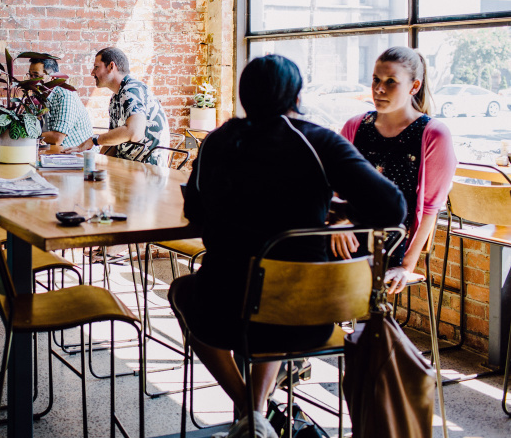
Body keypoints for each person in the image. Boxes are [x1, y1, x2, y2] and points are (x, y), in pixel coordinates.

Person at [168, 55, 406, 437]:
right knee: (275, 294)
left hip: (224, 311)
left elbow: (195, 212)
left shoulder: (219, 141)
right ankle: (256, 411)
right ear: (296, 95)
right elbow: (392, 207)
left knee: (183, 290)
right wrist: (339, 212)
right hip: (307, 315)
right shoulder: (317, 140)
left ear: (245, 95)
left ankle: (250, 413)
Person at [333, 46, 457, 295]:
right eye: (376, 80)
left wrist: (407, 266)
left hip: (392, 244)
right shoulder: (356, 126)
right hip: (347, 234)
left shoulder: (432, 134)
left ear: (414, 87)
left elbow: (431, 208)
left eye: (391, 82)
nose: (379, 89)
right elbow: (336, 186)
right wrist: (338, 226)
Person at [65, 46, 171, 166]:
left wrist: (94, 140)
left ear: (111, 66)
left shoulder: (131, 90)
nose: (92, 73)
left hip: (147, 170)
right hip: (128, 166)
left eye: (96, 67)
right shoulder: (116, 97)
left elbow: (134, 132)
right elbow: (113, 143)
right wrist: (94, 163)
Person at [27, 57, 92, 149]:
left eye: (36, 76)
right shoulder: (36, 97)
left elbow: (57, 138)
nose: (31, 80)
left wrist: (28, 133)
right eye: (30, 75)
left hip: (79, 156)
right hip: (54, 154)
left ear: (52, 77)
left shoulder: (65, 95)